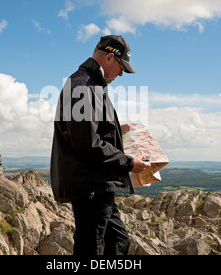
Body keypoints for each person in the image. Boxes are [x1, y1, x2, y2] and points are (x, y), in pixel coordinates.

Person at [50, 35, 151, 256]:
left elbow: (88, 131)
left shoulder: (89, 84)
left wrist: (117, 128)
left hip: (97, 184)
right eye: (121, 66)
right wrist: (128, 163)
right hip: (91, 186)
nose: (121, 73)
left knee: (118, 241)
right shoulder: (84, 86)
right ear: (108, 57)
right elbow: (87, 144)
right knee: (92, 247)